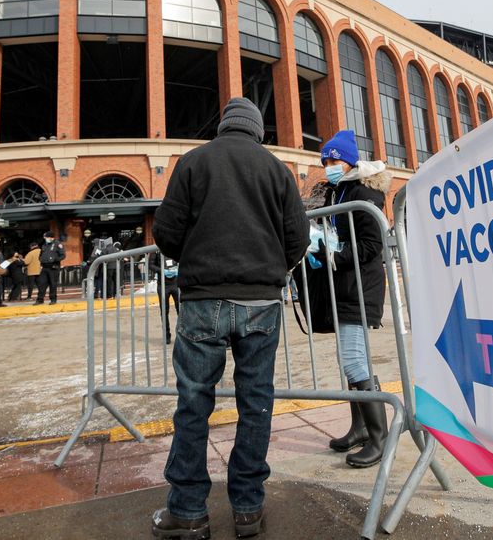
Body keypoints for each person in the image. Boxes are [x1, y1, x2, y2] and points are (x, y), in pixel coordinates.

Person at [150, 97, 309, 539]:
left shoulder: (193, 163)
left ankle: (187, 511)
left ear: (224, 126)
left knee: (193, 404)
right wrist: (269, 269)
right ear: (257, 129)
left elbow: (165, 231)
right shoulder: (277, 170)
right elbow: (299, 236)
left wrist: (197, 259)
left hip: (202, 299)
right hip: (260, 302)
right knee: (255, 404)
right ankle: (247, 508)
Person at [317, 129, 392, 469]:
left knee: (354, 359)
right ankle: (360, 428)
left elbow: (372, 245)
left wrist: (336, 255)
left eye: (332, 160)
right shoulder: (341, 190)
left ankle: (379, 437)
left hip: (361, 286)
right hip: (347, 285)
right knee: (350, 360)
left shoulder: (363, 192)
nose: (327, 166)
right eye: (325, 161)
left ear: (347, 161)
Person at [35, 232, 64, 304]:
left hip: (53, 267)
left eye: (47, 237)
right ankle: (40, 299)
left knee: (53, 284)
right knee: (42, 283)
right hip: (44, 267)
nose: (46, 239)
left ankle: (53, 299)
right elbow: (41, 254)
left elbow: (62, 255)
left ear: (51, 238)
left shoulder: (57, 244)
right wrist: (41, 259)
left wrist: (54, 259)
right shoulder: (44, 245)